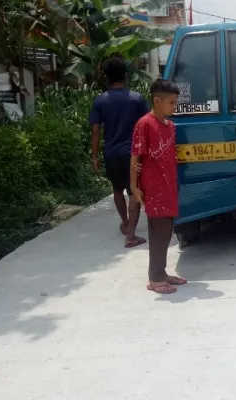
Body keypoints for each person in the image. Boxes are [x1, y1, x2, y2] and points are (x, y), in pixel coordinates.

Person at [130, 79, 187, 295]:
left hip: (169, 187)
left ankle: (161, 273)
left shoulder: (170, 126)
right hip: (153, 189)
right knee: (158, 232)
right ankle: (155, 278)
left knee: (166, 232)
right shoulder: (144, 124)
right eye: (171, 103)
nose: (174, 107)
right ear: (157, 100)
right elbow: (135, 157)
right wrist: (134, 187)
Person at [90, 55, 151, 248]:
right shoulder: (136, 99)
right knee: (135, 191)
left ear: (106, 77)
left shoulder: (100, 101)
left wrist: (94, 157)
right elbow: (149, 124)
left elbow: (95, 130)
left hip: (111, 153)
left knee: (117, 189)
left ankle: (125, 223)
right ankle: (131, 234)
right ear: (125, 76)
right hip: (133, 154)